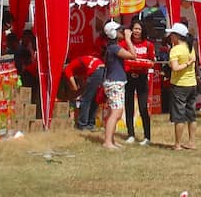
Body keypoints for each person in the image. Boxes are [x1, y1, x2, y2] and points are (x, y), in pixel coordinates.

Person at [100, 19, 137, 150]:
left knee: (114, 113)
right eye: (119, 30)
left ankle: (111, 139)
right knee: (116, 112)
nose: (122, 32)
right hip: (115, 83)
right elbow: (133, 55)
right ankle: (107, 142)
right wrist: (128, 39)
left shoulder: (113, 47)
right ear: (113, 34)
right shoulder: (114, 48)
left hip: (115, 81)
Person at [166, 22, 200, 149]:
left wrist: (185, 64)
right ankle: (192, 142)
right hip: (192, 84)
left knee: (179, 116)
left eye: (172, 35)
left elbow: (175, 68)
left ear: (176, 36)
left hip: (179, 85)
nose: (170, 37)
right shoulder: (190, 48)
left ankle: (178, 144)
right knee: (191, 114)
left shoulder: (175, 50)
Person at [123, 19, 155, 145]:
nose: (136, 31)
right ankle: (130, 134)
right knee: (129, 105)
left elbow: (152, 61)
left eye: (139, 29)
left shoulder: (148, 45)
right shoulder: (125, 43)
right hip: (128, 77)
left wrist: (146, 64)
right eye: (135, 29)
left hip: (142, 78)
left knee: (143, 107)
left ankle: (147, 137)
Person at [63, 49, 105, 130]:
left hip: (96, 71)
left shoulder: (68, 67)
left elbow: (74, 85)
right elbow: (84, 84)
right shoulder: (81, 66)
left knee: (85, 100)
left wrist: (74, 90)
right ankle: (90, 124)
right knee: (94, 100)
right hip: (102, 70)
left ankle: (82, 124)